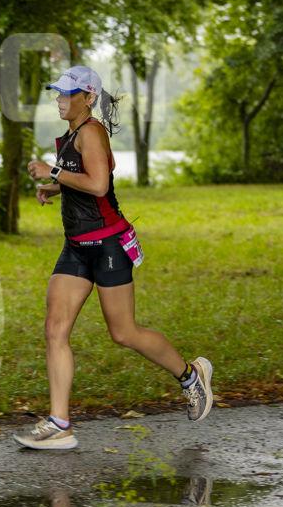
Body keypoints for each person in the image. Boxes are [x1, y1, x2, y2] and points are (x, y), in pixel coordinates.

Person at [12, 65, 214, 450]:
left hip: (107, 245)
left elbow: (100, 184)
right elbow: (95, 172)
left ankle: (191, 375)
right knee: (55, 328)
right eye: (58, 93)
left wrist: (52, 170)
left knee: (123, 332)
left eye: (67, 94)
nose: (59, 100)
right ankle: (59, 424)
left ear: (88, 98)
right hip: (76, 246)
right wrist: (55, 187)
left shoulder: (91, 131)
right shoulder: (73, 135)